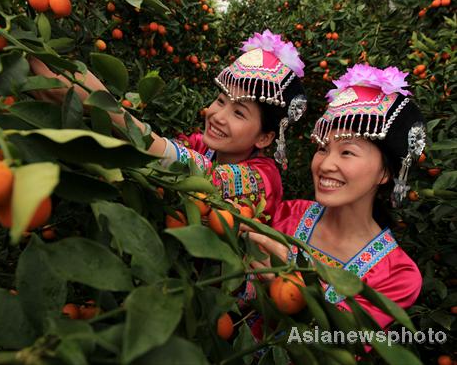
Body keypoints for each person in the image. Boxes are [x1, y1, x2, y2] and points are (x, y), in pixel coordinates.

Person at [29, 30, 308, 216]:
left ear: (265, 138)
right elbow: (158, 152)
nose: (218, 115)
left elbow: (206, 177)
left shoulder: (264, 178)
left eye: (239, 113)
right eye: (221, 101)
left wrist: (110, 109)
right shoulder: (200, 144)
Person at [245, 64, 425, 330]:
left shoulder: (397, 275)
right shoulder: (285, 214)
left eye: (347, 152)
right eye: (322, 148)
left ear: (385, 173)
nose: (326, 164)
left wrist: (293, 284)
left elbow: (343, 341)